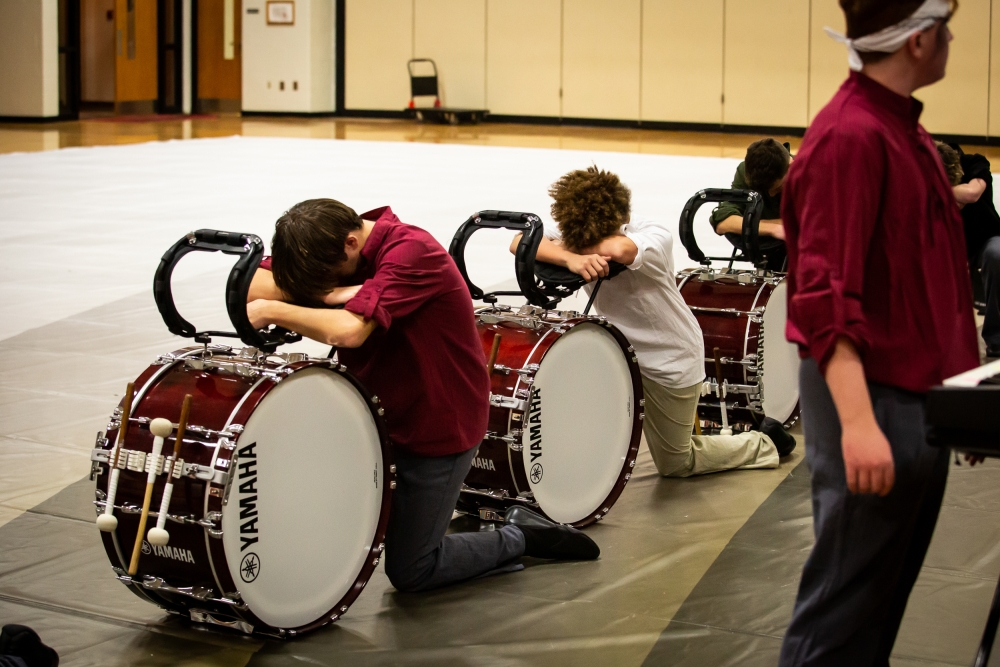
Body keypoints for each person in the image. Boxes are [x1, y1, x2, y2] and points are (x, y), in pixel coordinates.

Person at [246, 199, 599, 593]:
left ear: (350, 243)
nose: (318, 285)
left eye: (325, 276)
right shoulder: (327, 241)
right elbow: (254, 283)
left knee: (412, 569)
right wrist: (335, 291)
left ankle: (520, 536)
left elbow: (348, 331)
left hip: (436, 424)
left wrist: (275, 310)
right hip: (381, 415)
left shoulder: (412, 252)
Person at [778, 1, 979, 665]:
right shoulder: (851, 136)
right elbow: (825, 294)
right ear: (918, 41)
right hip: (873, 397)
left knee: (875, 609)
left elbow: (925, 282)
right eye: (944, 28)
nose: (952, 38)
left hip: (911, 399)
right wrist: (860, 424)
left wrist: (959, 406)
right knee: (839, 617)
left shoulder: (901, 130)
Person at [509, 166, 796, 479]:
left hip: (670, 358)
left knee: (677, 462)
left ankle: (763, 442)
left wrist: (568, 247)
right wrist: (571, 259)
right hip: (620, 354)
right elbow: (519, 241)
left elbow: (619, 249)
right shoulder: (578, 230)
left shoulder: (651, 234)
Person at [936, 141, 1000, 356]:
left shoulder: (976, 163)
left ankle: (996, 338)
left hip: (984, 239)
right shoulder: (924, 172)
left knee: (997, 255)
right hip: (947, 244)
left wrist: (939, 189)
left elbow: (971, 194)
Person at [709, 138, 792, 270]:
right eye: (764, 190)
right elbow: (722, 221)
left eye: (777, 188)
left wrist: (750, 223)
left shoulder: (812, 174)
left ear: (790, 168)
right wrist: (774, 229)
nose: (770, 194)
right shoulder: (748, 170)